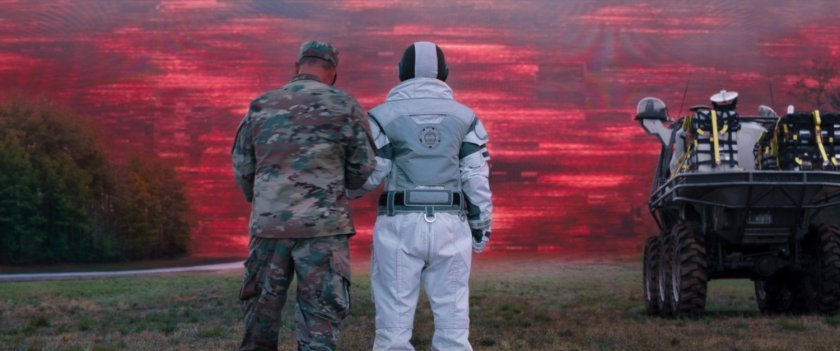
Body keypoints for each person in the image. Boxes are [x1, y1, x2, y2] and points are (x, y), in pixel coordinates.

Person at [231, 40, 376, 351]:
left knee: (259, 320)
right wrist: (334, 187)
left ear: (296, 67)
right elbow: (362, 168)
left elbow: (243, 166)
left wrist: (264, 201)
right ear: (333, 73)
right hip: (324, 230)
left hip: (269, 227)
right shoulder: (346, 106)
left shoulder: (261, 105)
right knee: (320, 324)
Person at [348, 41, 493, 350]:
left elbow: (372, 174)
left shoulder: (380, 116)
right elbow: (476, 178)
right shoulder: (466, 117)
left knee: (393, 326)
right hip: (451, 225)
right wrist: (480, 227)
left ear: (401, 72)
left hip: (399, 224)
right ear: (445, 73)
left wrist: (341, 192)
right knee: (453, 325)